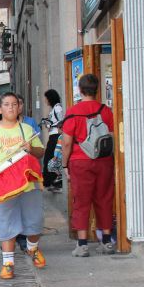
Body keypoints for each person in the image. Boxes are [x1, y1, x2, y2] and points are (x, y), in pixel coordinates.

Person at [0, 92, 46, 280]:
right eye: (6, 104)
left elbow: (40, 152)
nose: (11, 108)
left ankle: (33, 249)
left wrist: (31, 149)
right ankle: (8, 263)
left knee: (35, 221)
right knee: (6, 223)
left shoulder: (27, 130)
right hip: (3, 186)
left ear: (19, 107)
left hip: (28, 185)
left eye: (14, 104)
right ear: (0, 109)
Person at [61, 74, 115, 257]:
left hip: (80, 160)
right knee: (105, 198)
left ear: (80, 89)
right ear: (97, 89)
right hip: (104, 160)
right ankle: (106, 241)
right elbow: (112, 136)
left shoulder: (73, 112)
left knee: (81, 201)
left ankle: (82, 244)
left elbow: (67, 142)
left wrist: (64, 164)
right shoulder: (106, 111)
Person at [43, 89, 64, 189]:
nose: (45, 100)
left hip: (56, 136)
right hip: (53, 135)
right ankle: (52, 181)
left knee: (51, 158)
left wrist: (52, 125)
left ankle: (54, 180)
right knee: (49, 158)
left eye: (46, 98)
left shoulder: (58, 107)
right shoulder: (54, 108)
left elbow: (61, 120)